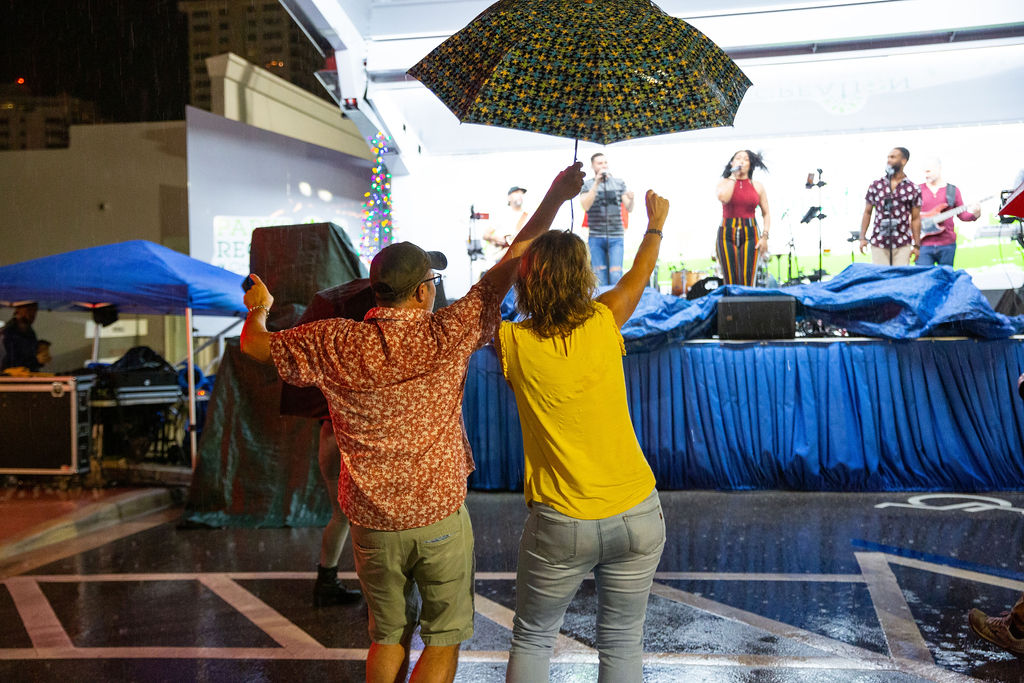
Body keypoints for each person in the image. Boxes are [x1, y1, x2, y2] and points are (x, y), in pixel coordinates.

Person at [240, 162, 585, 683]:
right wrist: (557, 195)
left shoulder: (335, 340)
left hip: (372, 522)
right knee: (442, 640)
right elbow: (512, 260)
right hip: (439, 517)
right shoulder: (448, 332)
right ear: (423, 291)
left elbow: (255, 345)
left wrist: (258, 308)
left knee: (386, 636)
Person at [498, 189, 670, 682]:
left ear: (528, 281)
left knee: (533, 638)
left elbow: (491, 287)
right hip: (637, 510)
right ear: (584, 275)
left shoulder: (511, 342)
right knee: (621, 643)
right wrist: (656, 224)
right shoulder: (603, 319)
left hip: (562, 522)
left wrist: (553, 199)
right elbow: (638, 275)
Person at [313, 419, 362, 607]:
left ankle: (326, 582)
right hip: (347, 440)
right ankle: (378, 598)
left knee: (340, 516)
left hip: (329, 437)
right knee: (367, 523)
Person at [714, 150, 771, 285]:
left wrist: (765, 237)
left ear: (750, 165)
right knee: (730, 280)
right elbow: (724, 198)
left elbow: (766, 213)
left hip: (750, 232)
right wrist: (733, 175)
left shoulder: (757, 186)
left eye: (745, 159)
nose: (741, 161)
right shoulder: (724, 183)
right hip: (726, 233)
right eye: (738, 158)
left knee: (748, 279)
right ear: (732, 163)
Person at [859, 147, 922, 266]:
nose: (889, 160)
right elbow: (867, 212)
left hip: (902, 243)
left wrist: (917, 245)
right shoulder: (876, 185)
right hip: (879, 242)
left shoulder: (913, 188)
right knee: (881, 280)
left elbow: (915, 218)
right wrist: (862, 238)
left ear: (903, 161)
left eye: (893, 157)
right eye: (888, 157)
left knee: (900, 280)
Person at [580, 152, 634, 286]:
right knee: (600, 276)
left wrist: (632, 199)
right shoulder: (587, 185)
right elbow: (586, 205)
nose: (603, 165)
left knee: (616, 275)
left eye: (605, 162)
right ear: (593, 166)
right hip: (596, 237)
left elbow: (629, 207)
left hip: (616, 236)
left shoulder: (618, 182)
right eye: (600, 163)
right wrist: (596, 184)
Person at [917, 159, 981, 267]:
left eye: (928, 171)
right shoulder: (917, 190)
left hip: (947, 244)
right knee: (923, 278)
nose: (925, 175)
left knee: (946, 277)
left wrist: (976, 214)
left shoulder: (952, 190)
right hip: (923, 244)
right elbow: (908, 214)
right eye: (924, 172)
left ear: (939, 169)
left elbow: (963, 215)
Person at [482, 186, 530, 266]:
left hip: (518, 255)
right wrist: (495, 238)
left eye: (521, 193)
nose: (520, 195)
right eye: (516, 193)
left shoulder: (527, 216)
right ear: (509, 198)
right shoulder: (501, 214)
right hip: (499, 256)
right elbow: (485, 235)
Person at [0, 302, 41, 372]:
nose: (32, 314)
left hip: (28, 378)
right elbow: (10, 362)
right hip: (11, 380)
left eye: (35, 310)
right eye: (29, 309)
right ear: (18, 309)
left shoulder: (30, 333)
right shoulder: (7, 333)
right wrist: (36, 360)